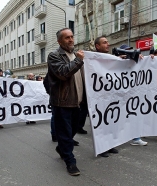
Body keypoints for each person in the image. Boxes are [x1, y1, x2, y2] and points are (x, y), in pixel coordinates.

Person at [47, 28, 85, 176]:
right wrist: (78, 60)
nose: (71, 40)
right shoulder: (54, 56)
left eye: (72, 37)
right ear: (59, 41)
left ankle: (62, 148)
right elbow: (63, 73)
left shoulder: (76, 55)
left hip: (78, 102)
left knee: (74, 129)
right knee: (65, 133)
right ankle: (70, 161)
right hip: (62, 102)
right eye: (66, 38)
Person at [94, 36, 120, 157]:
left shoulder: (111, 59)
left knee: (111, 121)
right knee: (101, 123)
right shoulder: (92, 59)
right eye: (104, 43)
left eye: (108, 42)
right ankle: (102, 147)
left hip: (111, 96)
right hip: (99, 97)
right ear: (97, 46)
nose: (108, 44)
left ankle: (110, 145)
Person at [119, 44, 148, 146]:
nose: (129, 53)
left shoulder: (135, 62)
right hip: (120, 95)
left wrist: (141, 58)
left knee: (133, 115)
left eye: (130, 50)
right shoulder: (117, 61)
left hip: (132, 95)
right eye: (127, 51)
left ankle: (136, 138)